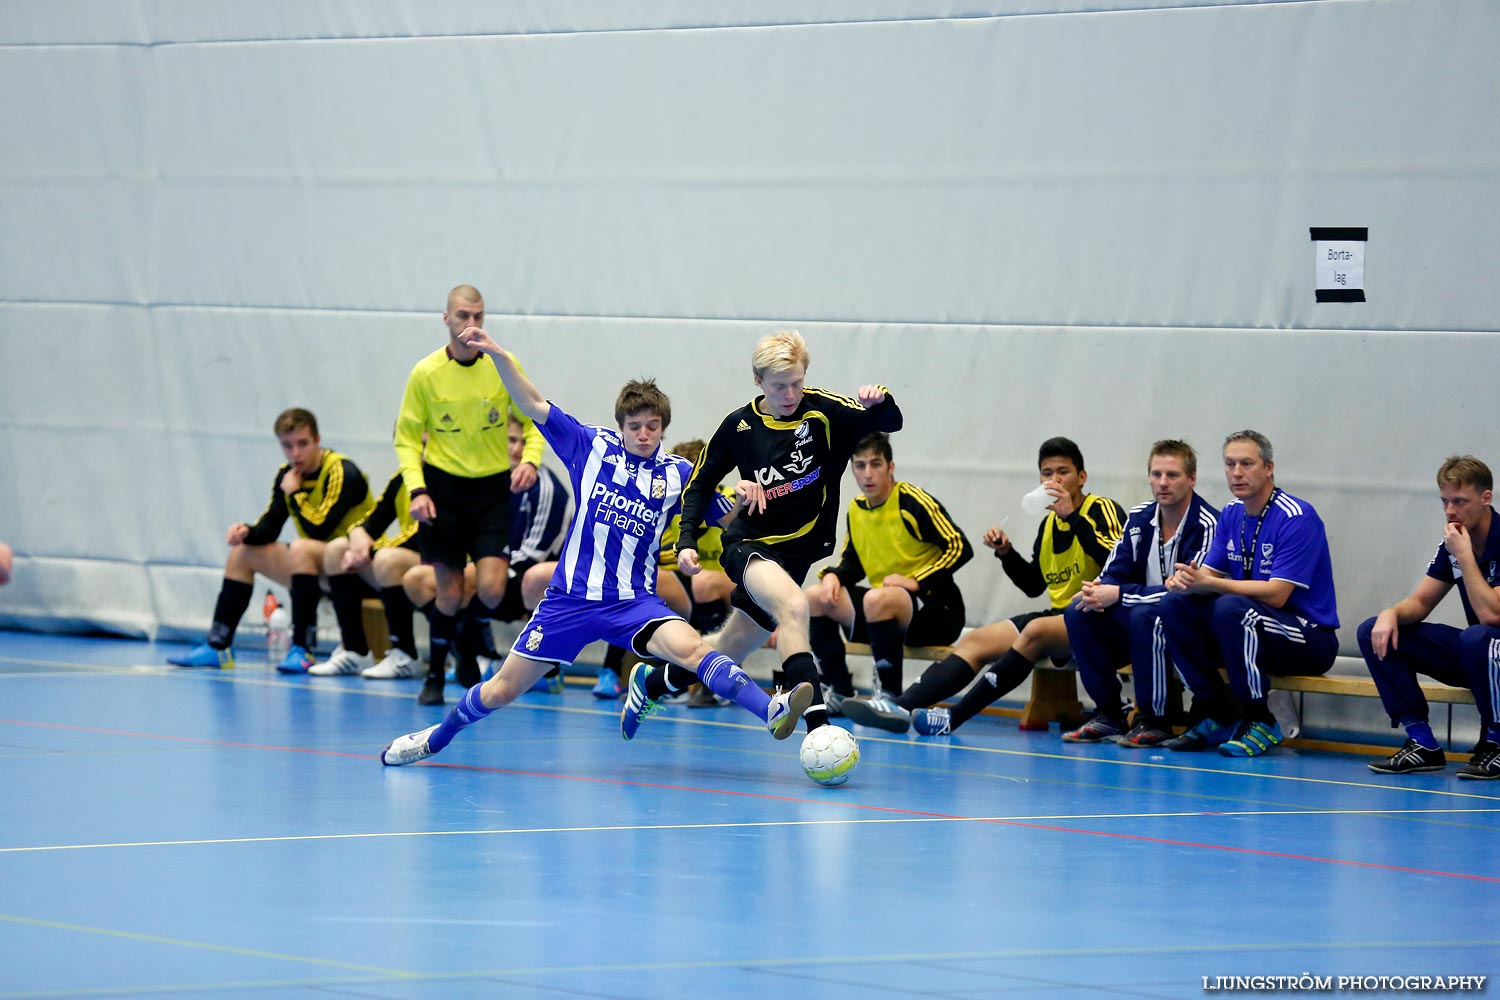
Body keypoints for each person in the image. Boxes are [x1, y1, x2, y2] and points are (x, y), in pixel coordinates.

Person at [380, 327, 814, 766]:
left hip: (634, 603)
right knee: (501, 690)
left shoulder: (679, 474)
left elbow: (731, 518)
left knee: (697, 651)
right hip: (570, 602)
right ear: (620, 425)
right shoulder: (591, 447)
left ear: (663, 427)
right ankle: (436, 738)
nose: (644, 434)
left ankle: (770, 709)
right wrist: (496, 355)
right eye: (635, 426)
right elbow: (531, 403)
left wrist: (748, 494)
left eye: (652, 426)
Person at [648, 329, 903, 734]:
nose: (790, 393)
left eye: (797, 383)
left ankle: (653, 682)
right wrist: (687, 541)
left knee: (729, 647)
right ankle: (819, 730)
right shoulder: (739, 426)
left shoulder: (824, 412)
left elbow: (891, 422)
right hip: (749, 544)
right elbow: (698, 483)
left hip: (797, 552)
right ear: (758, 381)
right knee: (795, 607)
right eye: (780, 386)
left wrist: (880, 401)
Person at [843, 436, 1125, 736]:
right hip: (1059, 616)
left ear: (1081, 477)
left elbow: (1117, 562)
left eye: (1063, 472)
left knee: (1034, 631)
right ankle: (901, 705)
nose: (1053, 480)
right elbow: (1033, 585)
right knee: (978, 640)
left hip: (1098, 616)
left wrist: (1073, 517)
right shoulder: (1048, 525)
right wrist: (1006, 553)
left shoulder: (1101, 509)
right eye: (1046, 473)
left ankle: (953, 717)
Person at [394, 284, 545, 706]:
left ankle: (462, 637)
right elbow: (406, 438)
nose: (471, 324)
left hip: (492, 489)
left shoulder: (502, 363)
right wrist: (417, 488)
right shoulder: (425, 373)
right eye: (463, 316)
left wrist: (530, 460)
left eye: (478, 316)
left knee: (494, 589)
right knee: (448, 592)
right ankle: (436, 675)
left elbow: (533, 416)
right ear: (447, 319)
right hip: (441, 489)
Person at [1156, 430, 1340, 757]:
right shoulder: (1232, 512)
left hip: (1308, 637)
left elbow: (1277, 595)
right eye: (1230, 464)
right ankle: (1216, 712)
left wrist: (1212, 584)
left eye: (1246, 464)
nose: (1237, 473)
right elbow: (1210, 572)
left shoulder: (1296, 517)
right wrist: (1186, 580)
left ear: (1268, 468)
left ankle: (1260, 718)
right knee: (1174, 606)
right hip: (1250, 623)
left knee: (1231, 608)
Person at [168, 408, 374, 670]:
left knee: (302, 548)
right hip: (315, 565)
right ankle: (218, 646)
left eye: (302, 444)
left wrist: (296, 494)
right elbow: (271, 525)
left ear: (317, 440)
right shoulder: (287, 476)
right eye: (287, 446)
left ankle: (303, 648)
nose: (295, 454)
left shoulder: (342, 472)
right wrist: (247, 531)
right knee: (242, 553)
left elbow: (319, 529)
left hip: (354, 569)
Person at [1060, 440, 1219, 746]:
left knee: (1148, 615)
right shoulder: (1140, 517)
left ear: (1192, 478)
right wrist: (1099, 589)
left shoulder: (1208, 524)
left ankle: (1154, 719)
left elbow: (1185, 592)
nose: (1162, 483)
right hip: (1141, 614)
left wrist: (1118, 593)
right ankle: (1109, 713)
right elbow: (1115, 568)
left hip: (1190, 623)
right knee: (1079, 609)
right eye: (1156, 474)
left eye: (1172, 475)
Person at [396, 418, 570, 687]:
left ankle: (536, 659)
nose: (517, 449)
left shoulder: (548, 488)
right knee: (417, 579)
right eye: (511, 440)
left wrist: (487, 566)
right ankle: (466, 649)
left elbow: (533, 555)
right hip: (492, 570)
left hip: (527, 582)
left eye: (524, 442)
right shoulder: (486, 482)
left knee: (520, 577)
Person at [806, 432, 972, 712]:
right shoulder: (856, 510)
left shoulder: (911, 501)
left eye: (876, 464)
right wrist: (833, 575)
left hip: (938, 611)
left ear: (890, 467)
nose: (868, 474)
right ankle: (839, 690)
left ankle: (891, 696)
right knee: (815, 596)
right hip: (885, 612)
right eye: (860, 466)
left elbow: (959, 546)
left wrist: (916, 581)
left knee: (876, 599)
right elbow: (852, 563)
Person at [1359, 456, 1500, 778]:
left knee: (1478, 636)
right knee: (1374, 631)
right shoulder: (1454, 543)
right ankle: (1422, 742)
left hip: (1493, 650)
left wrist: (1465, 558)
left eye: (1460, 502)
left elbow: (1492, 614)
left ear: (1486, 498)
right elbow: (1421, 602)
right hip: (1481, 657)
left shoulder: (1475, 544)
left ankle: (1496, 743)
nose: (1451, 511)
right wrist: (1390, 613)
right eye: (1445, 501)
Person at [308, 464, 423, 677]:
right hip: (408, 565)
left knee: (386, 560)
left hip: (443, 564)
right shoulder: (402, 478)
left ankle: (406, 655)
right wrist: (358, 538)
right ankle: (355, 651)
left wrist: (368, 551)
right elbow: (374, 520)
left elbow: (419, 536)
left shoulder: (446, 477)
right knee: (337, 550)